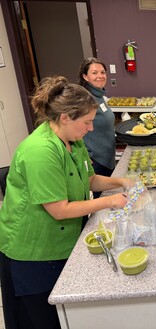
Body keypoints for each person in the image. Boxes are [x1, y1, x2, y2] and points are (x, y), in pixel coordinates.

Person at [0, 76, 131, 329]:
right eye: (87, 122)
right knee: (40, 319)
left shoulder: (73, 140)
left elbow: (89, 179)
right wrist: (109, 203)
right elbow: (60, 210)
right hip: (32, 251)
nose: (91, 128)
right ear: (65, 118)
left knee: (63, 316)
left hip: (61, 242)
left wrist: (121, 182)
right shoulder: (41, 151)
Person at [78, 57, 115, 198]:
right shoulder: (85, 98)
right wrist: (84, 154)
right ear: (85, 76)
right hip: (96, 159)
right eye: (94, 73)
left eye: (102, 72)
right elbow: (76, 127)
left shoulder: (99, 95)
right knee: (103, 199)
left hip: (106, 156)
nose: (100, 76)